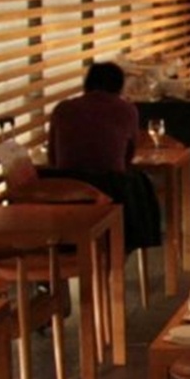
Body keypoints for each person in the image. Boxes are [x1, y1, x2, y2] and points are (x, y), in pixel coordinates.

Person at [47, 60, 161, 250]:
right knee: (140, 186)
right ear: (119, 85)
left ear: (87, 83)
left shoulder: (63, 109)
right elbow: (127, 157)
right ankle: (119, 256)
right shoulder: (126, 110)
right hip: (110, 189)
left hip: (67, 191)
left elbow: (53, 158)